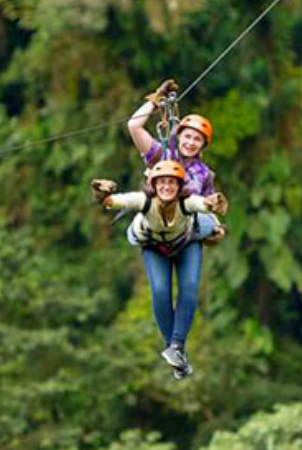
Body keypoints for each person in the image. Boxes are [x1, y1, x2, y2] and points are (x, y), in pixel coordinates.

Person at [92, 161, 228, 379]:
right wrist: (101, 193)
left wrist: (214, 204)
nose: (166, 187)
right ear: (153, 185)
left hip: (184, 242)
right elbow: (114, 202)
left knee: (190, 288)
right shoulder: (144, 200)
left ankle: (177, 347)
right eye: (162, 183)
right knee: (160, 290)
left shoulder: (187, 202)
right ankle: (173, 350)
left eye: (172, 183)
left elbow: (205, 204)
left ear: (179, 186)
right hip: (153, 245)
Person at [127, 79, 226, 247]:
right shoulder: (162, 154)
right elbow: (134, 126)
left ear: (203, 145)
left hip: (186, 235)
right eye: (187, 136)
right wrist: (156, 100)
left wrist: (216, 228)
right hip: (157, 229)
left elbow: (208, 206)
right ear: (179, 136)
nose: (191, 143)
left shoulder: (205, 174)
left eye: (197, 139)